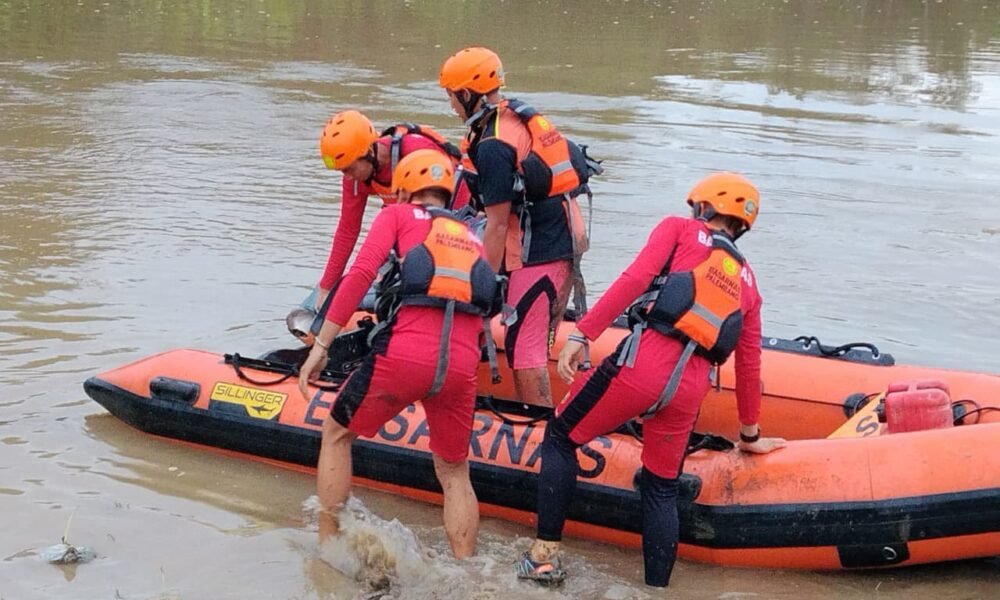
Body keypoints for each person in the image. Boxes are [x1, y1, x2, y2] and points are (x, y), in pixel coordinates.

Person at [516, 173, 788, 587]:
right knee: (661, 487)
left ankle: (543, 560)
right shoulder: (749, 286)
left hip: (642, 366)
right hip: (690, 387)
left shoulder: (678, 230)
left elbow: (635, 280)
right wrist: (750, 435)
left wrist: (583, 332)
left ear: (703, 207)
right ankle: (656, 590)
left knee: (560, 436)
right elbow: (750, 365)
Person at [298, 149, 500, 559]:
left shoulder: (396, 215)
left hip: (406, 353)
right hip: (461, 364)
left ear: (403, 190)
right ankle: (464, 569)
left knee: (337, 433)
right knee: (454, 470)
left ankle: (327, 546)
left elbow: (360, 274)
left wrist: (321, 344)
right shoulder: (473, 236)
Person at [438, 46, 596, 408]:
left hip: (541, 250)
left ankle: (539, 429)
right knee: (527, 339)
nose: (450, 105)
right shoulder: (511, 117)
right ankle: (536, 415)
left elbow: (495, 226)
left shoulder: (493, 143)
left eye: (451, 96)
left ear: (466, 93)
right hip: (563, 235)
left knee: (524, 345)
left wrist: (483, 288)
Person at [314, 110, 470, 315]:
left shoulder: (416, 151)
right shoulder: (356, 176)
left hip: (449, 223)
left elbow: (458, 201)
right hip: (408, 230)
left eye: (349, 169)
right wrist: (327, 287)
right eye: (342, 171)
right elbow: (347, 231)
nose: (348, 177)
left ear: (369, 152)